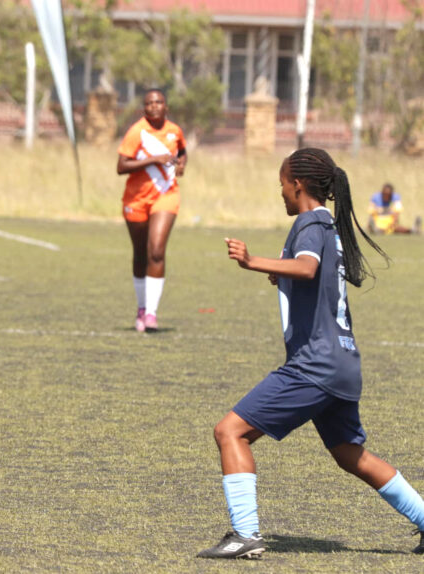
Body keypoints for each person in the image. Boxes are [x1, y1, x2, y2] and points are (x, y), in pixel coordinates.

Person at [198, 148, 424, 559]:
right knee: (350, 455)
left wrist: (251, 261)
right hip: (342, 363)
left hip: (314, 364)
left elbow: (306, 268)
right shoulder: (329, 227)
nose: (280, 192)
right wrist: (279, 275)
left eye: (282, 184)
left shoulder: (308, 222)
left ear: (298, 184)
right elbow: (312, 277)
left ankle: (245, 535)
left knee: (229, 431)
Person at [116, 89, 187, 332]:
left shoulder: (174, 131)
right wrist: (153, 159)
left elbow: (183, 152)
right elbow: (121, 166)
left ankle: (152, 314)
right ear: (144, 108)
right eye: (149, 103)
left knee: (156, 250)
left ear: (166, 106)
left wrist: (181, 165)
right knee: (140, 253)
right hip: (136, 199)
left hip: (166, 195)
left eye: (159, 102)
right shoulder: (137, 132)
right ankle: (141, 307)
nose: (154, 106)